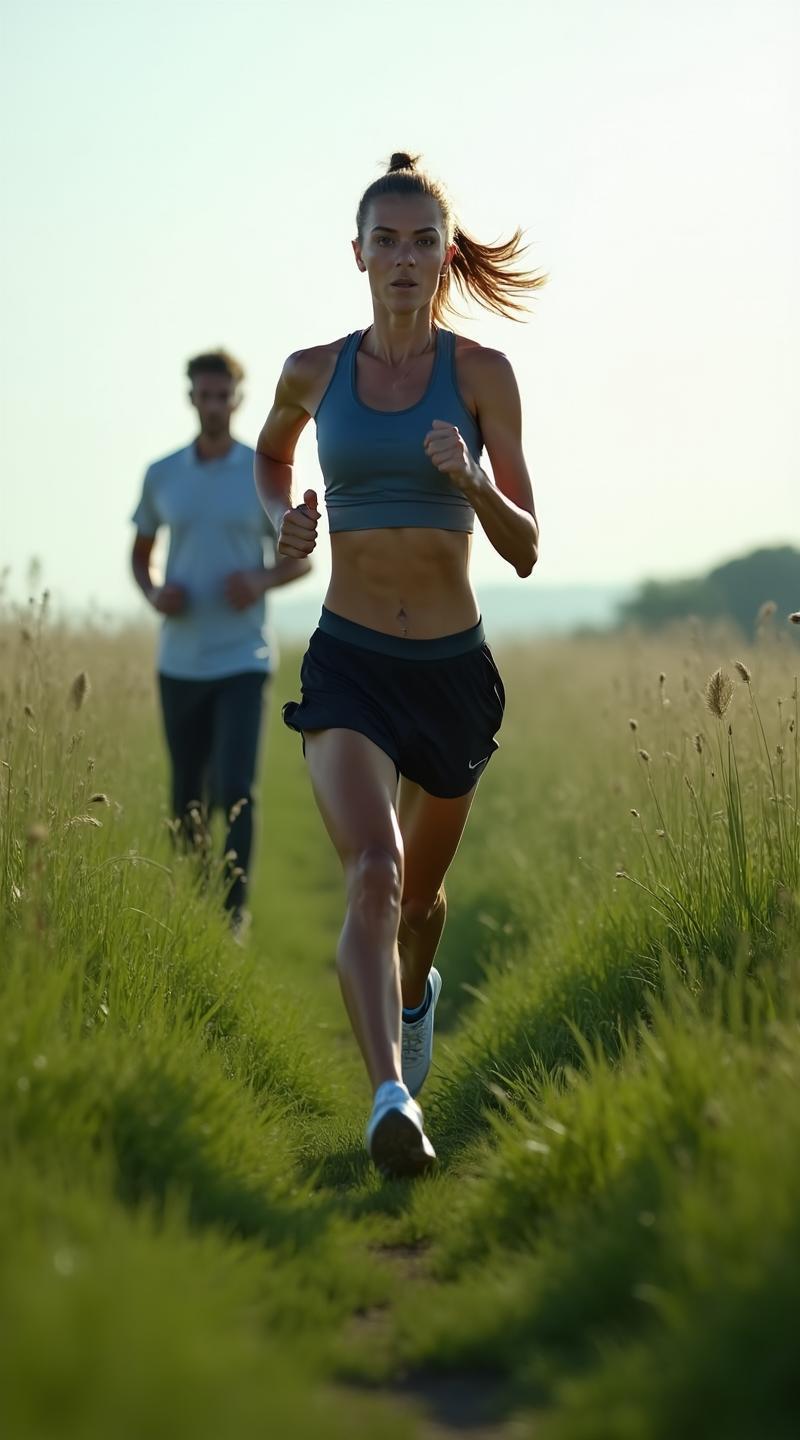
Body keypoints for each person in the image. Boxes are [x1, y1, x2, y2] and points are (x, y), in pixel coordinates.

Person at [255, 153, 542, 1176]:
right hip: (350, 666)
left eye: (424, 241)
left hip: (453, 676)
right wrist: (279, 525)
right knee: (371, 877)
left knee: (417, 909)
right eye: (388, 240)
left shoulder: (480, 378)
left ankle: (414, 997)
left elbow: (525, 547)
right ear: (358, 255)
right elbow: (272, 450)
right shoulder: (311, 371)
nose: (405, 259)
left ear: (445, 257)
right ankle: (389, 1102)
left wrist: (469, 479)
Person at [132, 349, 310, 932]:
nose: (213, 405)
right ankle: (198, 897)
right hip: (179, 660)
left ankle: (232, 918)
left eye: (222, 395)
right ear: (191, 399)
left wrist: (260, 577)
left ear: (237, 398)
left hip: (242, 658)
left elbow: (299, 559)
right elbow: (140, 555)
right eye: (203, 395)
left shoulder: (260, 473)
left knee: (235, 788)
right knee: (186, 799)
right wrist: (155, 592)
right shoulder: (162, 475)